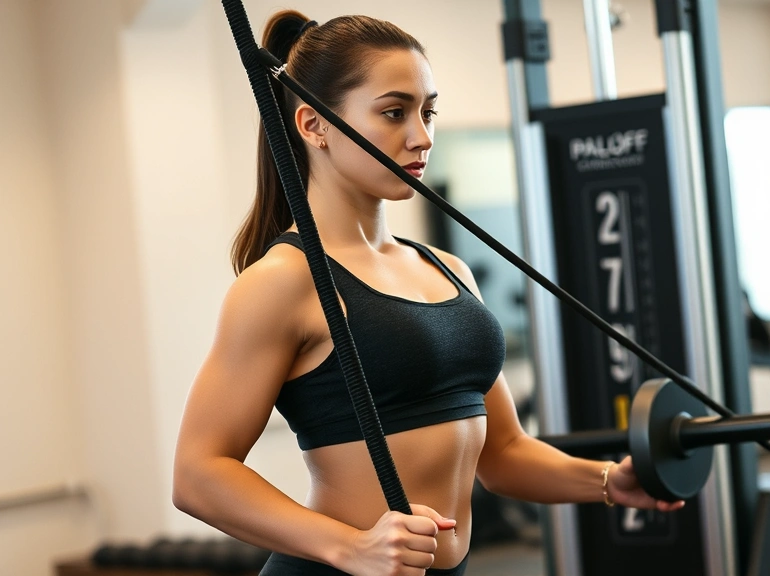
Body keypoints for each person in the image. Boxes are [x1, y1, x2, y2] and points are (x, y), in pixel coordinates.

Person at [172, 10, 684, 576]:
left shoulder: (449, 270)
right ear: (313, 125)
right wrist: (350, 547)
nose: (421, 136)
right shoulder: (283, 281)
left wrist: (611, 481)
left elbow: (504, 454)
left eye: (428, 111)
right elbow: (199, 474)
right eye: (394, 112)